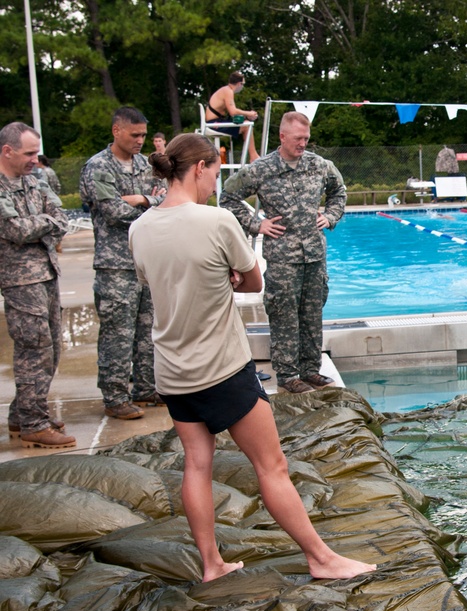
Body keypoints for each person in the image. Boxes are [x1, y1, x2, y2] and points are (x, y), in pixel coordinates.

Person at [130, 133, 376, 583]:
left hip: (171, 368)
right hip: (220, 366)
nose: (214, 182)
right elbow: (251, 282)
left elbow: (156, 282)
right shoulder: (217, 221)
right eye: (214, 171)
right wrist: (223, 279)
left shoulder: (140, 227)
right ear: (200, 168)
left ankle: (212, 565)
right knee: (272, 466)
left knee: (197, 464)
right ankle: (321, 559)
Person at [220, 111, 346, 394]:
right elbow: (227, 197)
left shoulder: (319, 165)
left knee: (313, 313)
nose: (303, 144)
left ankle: (311, 370)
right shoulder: (261, 169)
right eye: (298, 139)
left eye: (307, 139)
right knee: (283, 314)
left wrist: (331, 216)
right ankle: (288, 375)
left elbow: (339, 192)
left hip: (314, 255)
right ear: (282, 136)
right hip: (282, 259)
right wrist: (256, 224)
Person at [79, 106, 166, 420]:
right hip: (115, 264)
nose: (141, 140)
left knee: (148, 330)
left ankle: (146, 388)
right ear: (116, 131)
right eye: (135, 135)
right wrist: (151, 204)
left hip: (146, 261)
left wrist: (143, 200)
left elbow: (166, 197)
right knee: (118, 333)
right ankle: (115, 396)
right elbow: (113, 213)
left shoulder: (146, 164)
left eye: (144, 134)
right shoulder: (98, 167)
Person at [0, 122, 75, 448]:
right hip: (20, 280)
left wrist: (42, 224)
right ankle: (33, 423)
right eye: (29, 153)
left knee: (52, 350)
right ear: (7, 150)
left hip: (47, 274)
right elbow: (14, 231)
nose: (35, 159)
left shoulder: (34, 181)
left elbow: (62, 220)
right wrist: (46, 223)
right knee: (34, 350)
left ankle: (24, 412)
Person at [205, 71, 259, 162]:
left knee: (246, 123)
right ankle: (253, 156)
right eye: (243, 84)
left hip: (215, 121)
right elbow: (233, 112)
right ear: (239, 83)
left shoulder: (226, 90)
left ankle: (253, 155)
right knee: (246, 126)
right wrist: (249, 113)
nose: (242, 87)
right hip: (214, 123)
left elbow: (234, 113)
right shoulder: (228, 91)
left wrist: (247, 116)